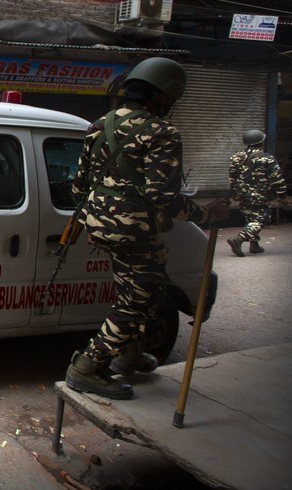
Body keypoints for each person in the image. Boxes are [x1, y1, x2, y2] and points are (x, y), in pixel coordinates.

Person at [64, 57, 229, 400]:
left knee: (151, 287)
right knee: (135, 300)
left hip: (100, 224)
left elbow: (79, 186)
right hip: (133, 230)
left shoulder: (99, 124)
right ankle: (87, 367)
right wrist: (206, 215)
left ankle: (130, 353)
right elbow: (163, 198)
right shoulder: (162, 132)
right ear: (163, 97)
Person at [227, 129, 288, 256]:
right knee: (260, 219)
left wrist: (234, 193)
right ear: (261, 142)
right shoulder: (267, 159)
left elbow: (232, 178)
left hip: (242, 194)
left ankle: (254, 246)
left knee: (250, 218)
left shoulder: (236, 157)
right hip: (261, 195)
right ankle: (238, 239)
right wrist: (282, 196)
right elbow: (277, 179)